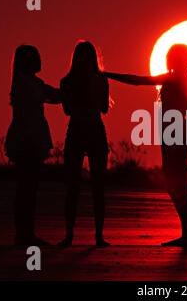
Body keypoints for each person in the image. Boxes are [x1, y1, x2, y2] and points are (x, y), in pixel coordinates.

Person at [105, 44, 187, 248]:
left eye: (169, 56)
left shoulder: (176, 78)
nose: (167, 59)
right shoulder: (184, 79)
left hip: (175, 134)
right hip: (174, 134)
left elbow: (140, 81)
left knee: (176, 183)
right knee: (176, 183)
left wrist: (107, 74)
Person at [5, 45, 61, 246]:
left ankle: (25, 233)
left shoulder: (28, 82)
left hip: (27, 138)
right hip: (28, 139)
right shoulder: (27, 84)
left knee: (27, 188)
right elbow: (54, 96)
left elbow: (55, 96)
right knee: (27, 188)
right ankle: (24, 233)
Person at [58, 41, 110, 248]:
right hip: (95, 129)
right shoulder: (101, 80)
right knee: (98, 187)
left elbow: (67, 111)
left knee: (72, 187)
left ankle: (69, 235)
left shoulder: (67, 81)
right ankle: (98, 236)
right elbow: (105, 108)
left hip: (76, 129)